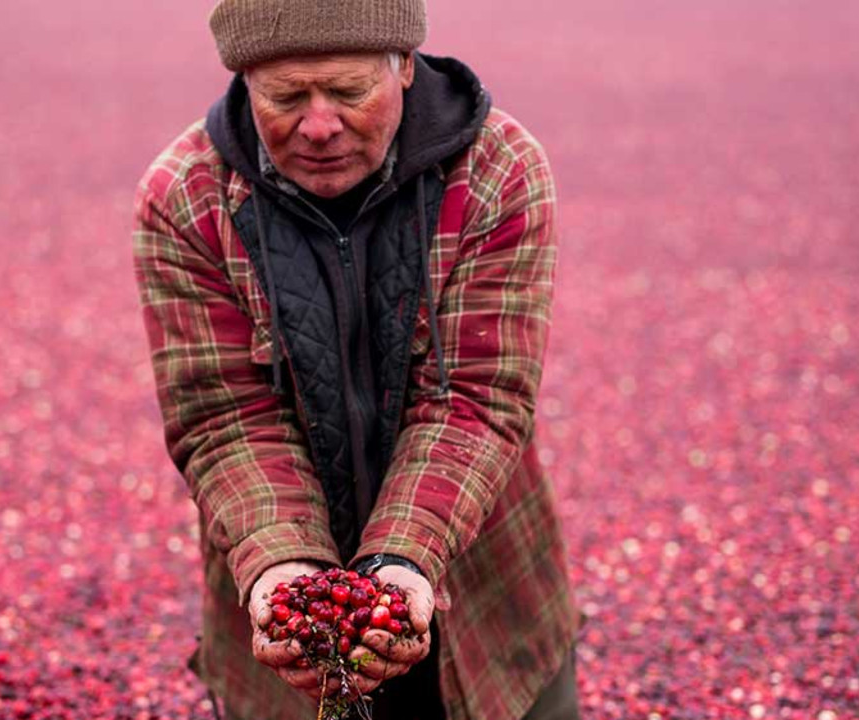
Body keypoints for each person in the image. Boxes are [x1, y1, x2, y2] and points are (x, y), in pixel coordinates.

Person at [132, 2, 584, 718]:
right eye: (285, 97)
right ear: (246, 78)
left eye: (348, 92)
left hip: (486, 589)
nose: (318, 125)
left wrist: (399, 562)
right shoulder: (185, 196)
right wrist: (283, 567)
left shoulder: (497, 172)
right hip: (275, 606)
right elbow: (224, 416)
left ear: (404, 65)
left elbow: (474, 400)